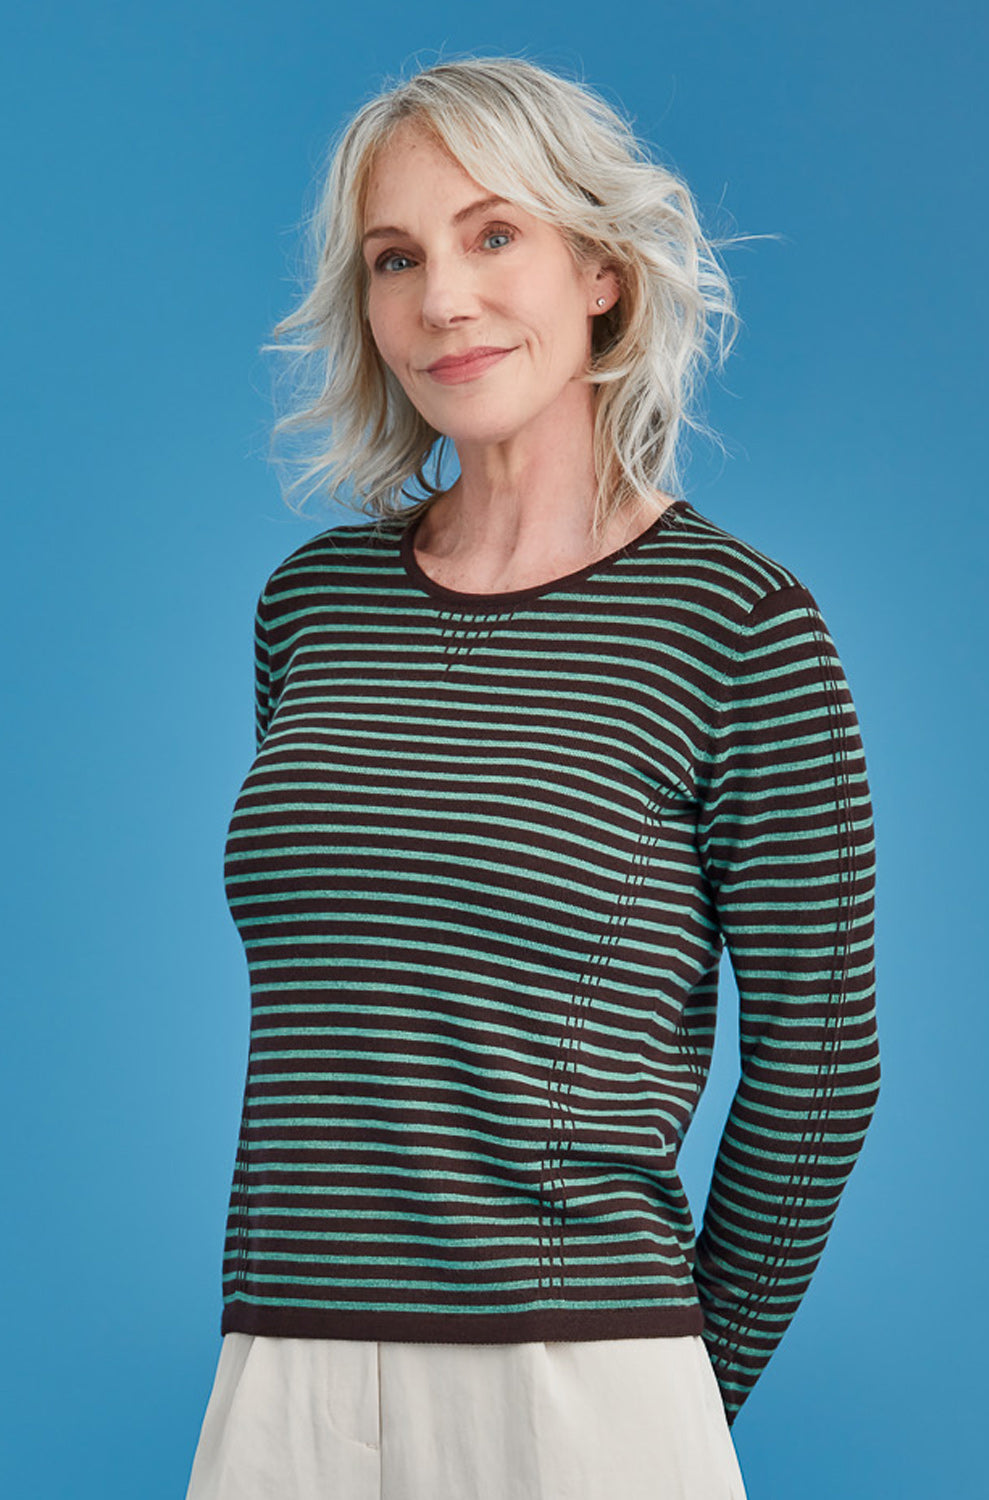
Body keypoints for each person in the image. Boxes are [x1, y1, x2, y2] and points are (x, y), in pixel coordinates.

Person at [184, 54, 880, 1500]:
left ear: (603, 272)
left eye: (494, 234)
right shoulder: (312, 606)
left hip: (578, 1376)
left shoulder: (741, 627)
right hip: (282, 1371)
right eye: (397, 257)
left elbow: (821, 1074)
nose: (442, 297)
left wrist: (670, 1392)